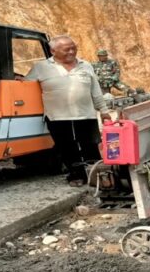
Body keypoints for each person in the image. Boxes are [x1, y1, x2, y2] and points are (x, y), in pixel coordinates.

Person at [27, 35, 111, 186]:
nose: (72, 52)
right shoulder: (41, 67)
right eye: (67, 49)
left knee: (91, 146)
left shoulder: (86, 65)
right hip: (57, 117)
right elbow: (25, 86)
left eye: (74, 48)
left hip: (86, 115)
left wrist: (104, 111)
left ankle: (98, 178)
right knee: (67, 148)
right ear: (53, 51)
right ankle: (76, 176)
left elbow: (95, 91)